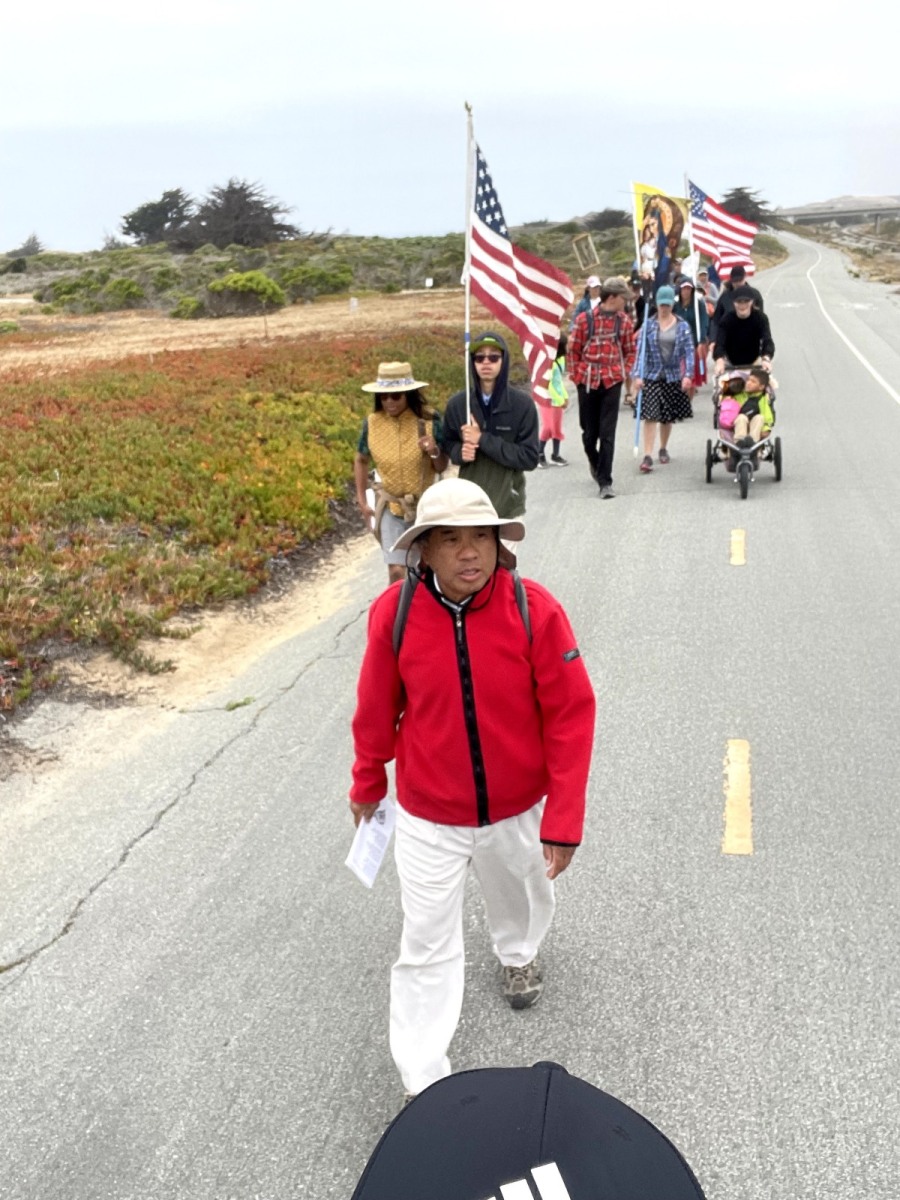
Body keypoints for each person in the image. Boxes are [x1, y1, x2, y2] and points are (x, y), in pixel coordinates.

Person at [349, 478, 596, 1106]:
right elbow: (375, 707)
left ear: (499, 544)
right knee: (425, 941)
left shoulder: (533, 610)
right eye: (451, 540)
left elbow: (571, 713)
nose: (469, 553)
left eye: (481, 537)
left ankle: (518, 953)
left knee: (522, 896)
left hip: (515, 809)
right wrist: (368, 779)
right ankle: (423, 1080)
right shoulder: (395, 614)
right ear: (423, 550)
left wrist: (563, 817)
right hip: (428, 814)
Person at [355, 361, 449, 584]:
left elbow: (442, 465)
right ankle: (398, 607)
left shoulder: (430, 420)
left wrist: (433, 450)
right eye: (384, 397)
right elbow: (360, 459)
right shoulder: (372, 423)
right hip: (391, 506)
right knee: (397, 571)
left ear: (408, 394)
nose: (390, 402)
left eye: (396, 396)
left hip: (425, 507)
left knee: (426, 569)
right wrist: (362, 500)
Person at [441, 332, 539, 519]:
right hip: (469, 507)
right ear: (473, 362)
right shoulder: (458, 404)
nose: (486, 362)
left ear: (504, 360)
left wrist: (482, 439)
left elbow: (529, 458)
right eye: (479, 358)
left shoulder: (522, 405)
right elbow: (447, 443)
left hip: (508, 508)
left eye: (493, 357)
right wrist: (459, 452)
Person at [567, 276, 637, 500]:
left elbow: (630, 351)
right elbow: (573, 351)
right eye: (623, 298)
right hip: (587, 381)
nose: (626, 302)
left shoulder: (624, 322)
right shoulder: (584, 320)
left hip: (611, 382)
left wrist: (623, 372)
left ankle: (605, 482)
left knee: (607, 434)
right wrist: (577, 377)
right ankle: (595, 463)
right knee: (589, 434)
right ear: (612, 297)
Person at [632, 284, 695, 472]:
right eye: (662, 304)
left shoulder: (682, 326)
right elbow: (640, 352)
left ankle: (663, 448)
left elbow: (689, 352)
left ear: (672, 304)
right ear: (657, 304)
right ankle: (647, 455)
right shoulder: (648, 325)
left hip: (672, 375)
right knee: (650, 415)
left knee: (666, 417)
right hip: (651, 374)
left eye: (668, 304)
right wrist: (637, 375)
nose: (665, 308)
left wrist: (688, 375)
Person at [713, 286, 775, 374]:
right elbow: (719, 344)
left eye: (746, 301)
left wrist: (766, 358)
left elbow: (767, 340)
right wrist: (719, 360)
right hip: (730, 364)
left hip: (755, 362)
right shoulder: (726, 320)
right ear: (734, 303)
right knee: (721, 381)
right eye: (739, 302)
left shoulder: (761, 318)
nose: (742, 305)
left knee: (767, 381)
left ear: (752, 302)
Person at [709, 264, 764, 344]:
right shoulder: (725, 296)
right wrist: (713, 340)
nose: (737, 283)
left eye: (740, 280)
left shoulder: (755, 295)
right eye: (735, 281)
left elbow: (761, 320)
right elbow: (716, 320)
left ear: (745, 277)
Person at [537, 335, 569, 467]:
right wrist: (560, 400)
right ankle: (539, 454)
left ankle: (556, 455)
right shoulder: (547, 363)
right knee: (548, 427)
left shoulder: (560, 360)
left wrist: (565, 396)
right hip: (547, 399)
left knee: (556, 428)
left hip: (558, 400)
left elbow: (559, 381)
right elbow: (548, 385)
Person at [672, 278, 709, 390]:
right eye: (684, 288)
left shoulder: (699, 305)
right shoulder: (675, 306)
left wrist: (701, 340)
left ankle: (690, 394)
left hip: (694, 343)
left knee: (691, 376)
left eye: (688, 288)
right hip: (679, 344)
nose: (686, 291)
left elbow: (704, 322)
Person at [732, 367, 775, 452]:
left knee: (759, 417)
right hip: (739, 426)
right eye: (748, 380)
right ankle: (739, 444)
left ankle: (753, 444)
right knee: (741, 417)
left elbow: (767, 416)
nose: (748, 383)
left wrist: (766, 429)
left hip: (755, 429)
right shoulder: (740, 395)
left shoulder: (762, 399)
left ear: (761, 387)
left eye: (753, 382)